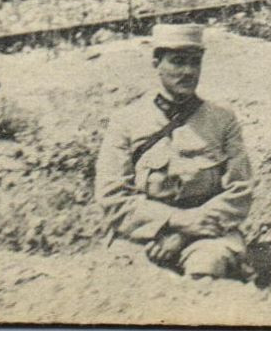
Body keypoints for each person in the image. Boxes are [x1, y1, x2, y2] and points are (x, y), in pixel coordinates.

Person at [94, 23, 253, 279]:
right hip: (142, 234)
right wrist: (173, 221)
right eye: (178, 62)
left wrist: (184, 232)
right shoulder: (126, 121)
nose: (188, 71)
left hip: (207, 235)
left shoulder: (222, 120)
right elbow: (112, 196)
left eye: (194, 62)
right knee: (132, 282)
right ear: (156, 63)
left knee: (207, 271)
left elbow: (240, 191)